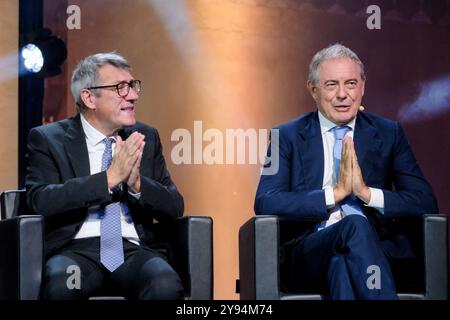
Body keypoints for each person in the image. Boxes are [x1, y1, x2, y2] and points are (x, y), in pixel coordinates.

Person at [254, 43, 438, 299]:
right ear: (313, 89)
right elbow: (265, 201)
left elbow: (424, 200)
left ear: (363, 87)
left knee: (341, 267)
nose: (343, 94)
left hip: (377, 250)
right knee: (353, 225)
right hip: (310, 249)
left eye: (351, 83)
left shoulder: (388, 133)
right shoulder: (286, 136)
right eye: (331, 85)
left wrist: (366, 193)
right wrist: (335, 193)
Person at [25, 52, 185, 300]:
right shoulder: (48, 139)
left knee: (164, 284)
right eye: (121, 88)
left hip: (133, 251)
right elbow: (41, 200)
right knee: (63, 286)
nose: (133, 95)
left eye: (133, 86)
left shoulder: (145, 137)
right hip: (75, 252)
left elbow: (175, 207)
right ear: (89, 97)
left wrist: (137, 185)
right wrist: (108, 179)